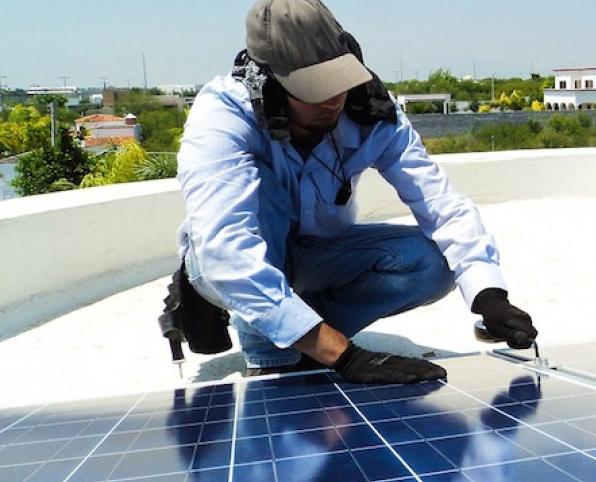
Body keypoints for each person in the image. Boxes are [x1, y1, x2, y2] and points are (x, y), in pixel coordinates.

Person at [175, 0, 537, 384]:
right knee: (261, 203)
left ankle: (300, 331)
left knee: (433, 263)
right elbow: (227, 252)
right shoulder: (223, 115)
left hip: (319, 251)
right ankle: (273, 351)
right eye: (314, 89)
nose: (333, 99)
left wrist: (489, 295)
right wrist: (344, 357)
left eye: (339, 81)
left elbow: (440, 203)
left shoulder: (372, 110)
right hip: (226, 263)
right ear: (270, 83)